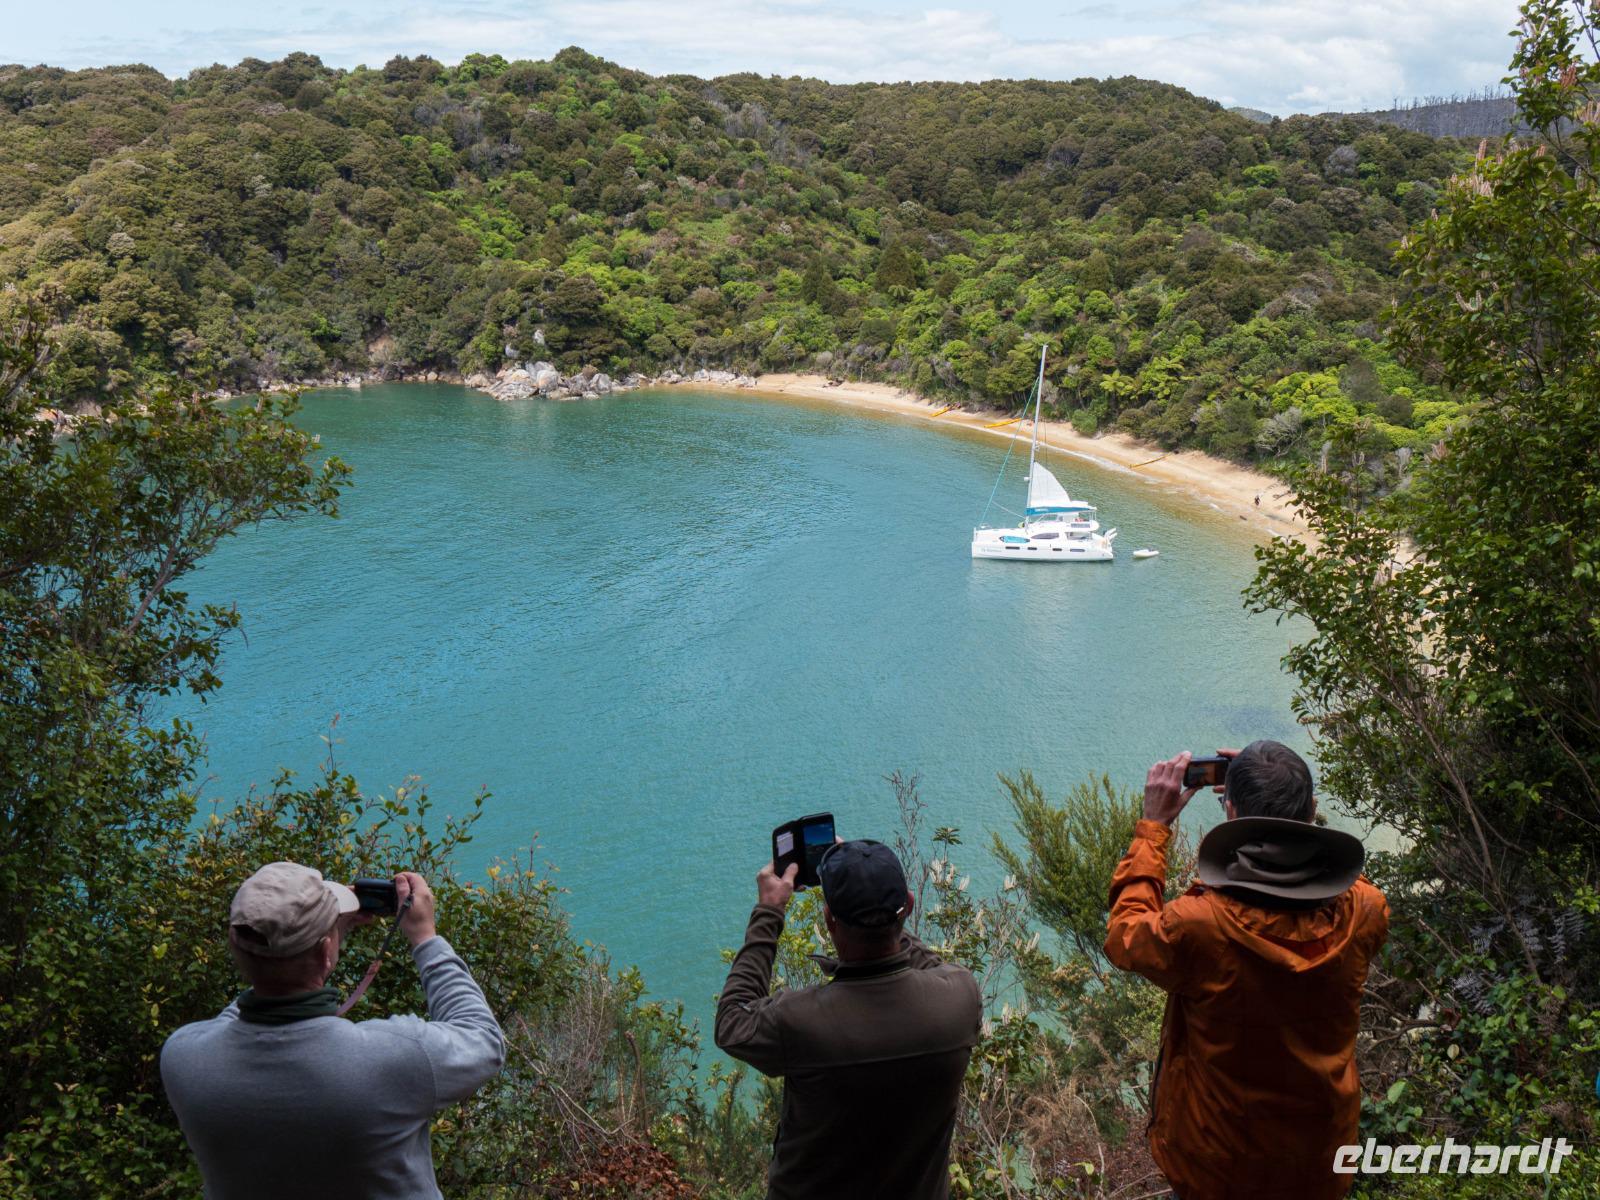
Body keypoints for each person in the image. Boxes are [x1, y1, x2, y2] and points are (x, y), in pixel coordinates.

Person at [1105, 742, 1389, 1200]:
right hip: (1320, 1162)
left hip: (1220, 1171)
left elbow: (1125, 935)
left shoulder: (1200, 926)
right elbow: (1333, 876)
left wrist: (1154, 827)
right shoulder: (1366, 912)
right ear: (1313, 811)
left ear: (1230, 813)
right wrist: (1278, 795)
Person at [161, 862, 505, 1200]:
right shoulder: (391, 1060)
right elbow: (482, 1038)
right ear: (327, 952)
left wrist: (321, 937)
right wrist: (425, 939)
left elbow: (249, 1004)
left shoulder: (185, 1058)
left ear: (235, 947)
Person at [716, 839, 982, 1200]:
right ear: (908, 906)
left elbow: (732, 1021)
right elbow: (928, 964)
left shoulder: (800, 1021)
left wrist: (770, 910)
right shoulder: (960, 999)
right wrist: (875, 889)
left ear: (829, 921)